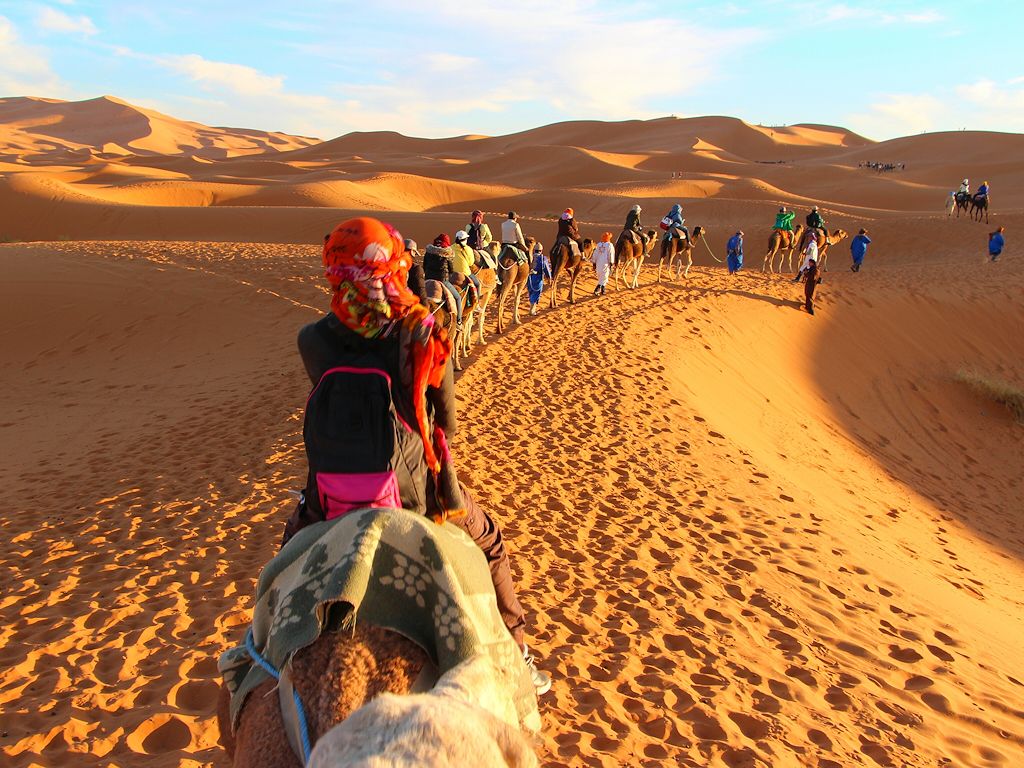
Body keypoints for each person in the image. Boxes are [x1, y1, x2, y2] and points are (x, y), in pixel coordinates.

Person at [285, 217, 550, 694]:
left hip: (330, 496)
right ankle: (518, 655)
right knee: (489, 543)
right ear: (394, 262)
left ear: (335, 267)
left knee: (285, 562)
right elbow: (445, 423)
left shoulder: (312, 338)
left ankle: (263, 657)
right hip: (416, 492)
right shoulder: (422, 329)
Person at [423, 234, 464, 326]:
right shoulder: (447, 253)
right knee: (457, 297)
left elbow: (424, 266)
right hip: (443, 280)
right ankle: (459, 321)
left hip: (428, 279)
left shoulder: (428, 252)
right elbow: (451, 270)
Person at [451, 229, 482, 305]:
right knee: (478, 284)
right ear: (465, 239)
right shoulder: (468, 249)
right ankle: (477, 303)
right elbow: (471, 263)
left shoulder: (451, 247)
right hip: (465, 273)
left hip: (453, 273)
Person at [527, 242, 552, 315]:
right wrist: (549, 277)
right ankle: (532, 310)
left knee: (531, 293)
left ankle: (532, 309)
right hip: (538, 279)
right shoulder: (542, 258)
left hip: (529, 278)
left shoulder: (530, 257)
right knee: (536, 293)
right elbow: (546, 268)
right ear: (541, 250)